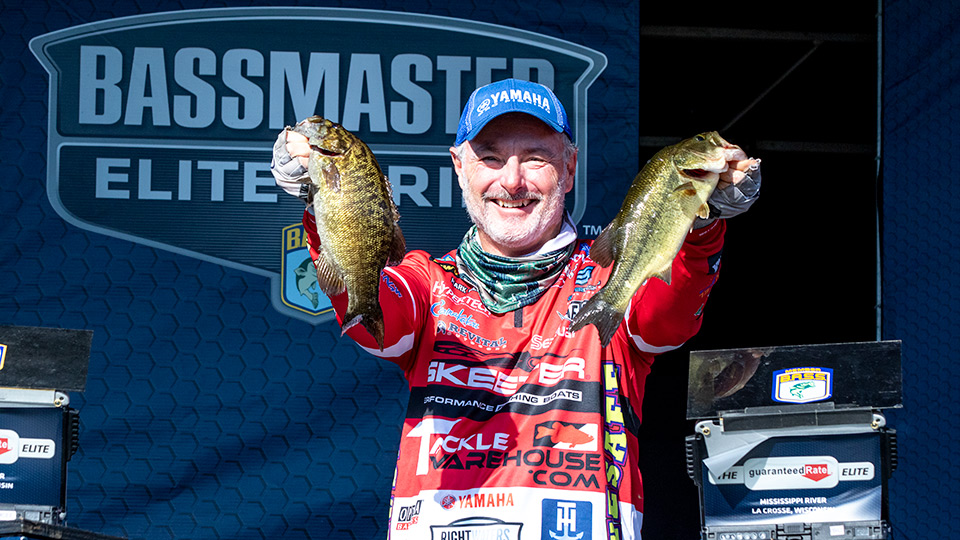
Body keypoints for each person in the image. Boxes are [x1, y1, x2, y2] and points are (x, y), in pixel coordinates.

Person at [271, 78, 760, 539]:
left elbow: (666, 322)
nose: (512, 181)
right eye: (490, 157)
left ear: (569, 168)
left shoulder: (615, 277)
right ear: (459, 167)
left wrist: (702, 224)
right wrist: (322, 198)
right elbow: (375, 321)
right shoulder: (428, 280)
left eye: (535, 158)